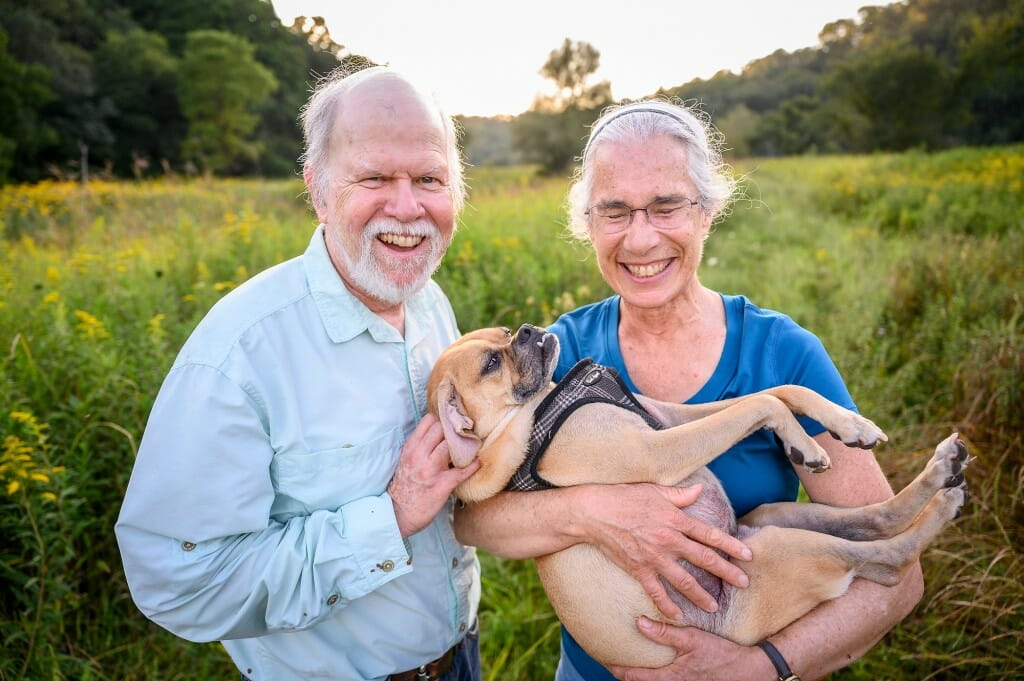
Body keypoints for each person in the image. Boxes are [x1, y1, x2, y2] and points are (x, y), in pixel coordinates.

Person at [454, 99, 924, 681]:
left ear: (706, 212)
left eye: (665, 206)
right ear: (589, 226)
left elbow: (900, 576)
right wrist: (591, 511)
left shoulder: (781, 353)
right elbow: (474, 521)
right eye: (615, 212)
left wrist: (761, 665)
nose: (641, 238)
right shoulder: (562, 352)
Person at [115, 66, 484, 681]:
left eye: (429, 179)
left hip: (461, 658)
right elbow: (176, 582)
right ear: (317, 188)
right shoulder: (240, 355)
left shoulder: (430, 305)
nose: (406, 206)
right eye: (373, 177)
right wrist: (388, 518)